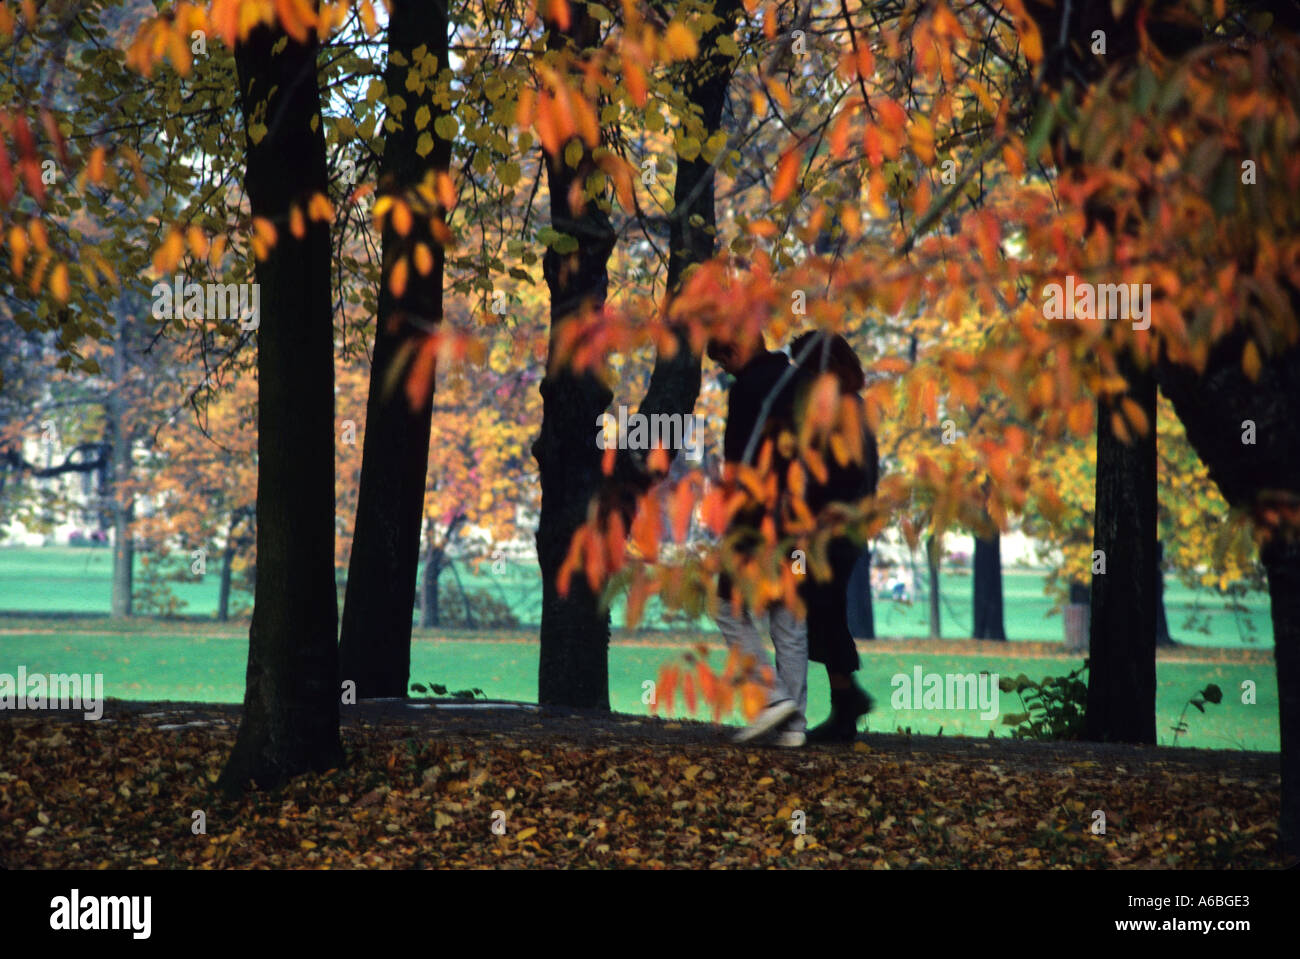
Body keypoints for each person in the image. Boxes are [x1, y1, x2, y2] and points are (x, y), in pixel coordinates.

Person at [706, 331, 808, 747]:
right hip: (801, 518)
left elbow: (741, 461)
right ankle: (794, 726)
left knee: (728, 608)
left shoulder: (746, 388)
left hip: (755, 518)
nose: (722, 370)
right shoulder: (797, 380)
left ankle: (771, 698)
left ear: (736, 348)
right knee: (790, 617)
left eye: (721, 361)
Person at [787, 331, 879, 743]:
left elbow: (843, 474)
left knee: (822, 607)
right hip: (840, 527)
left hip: (835, 529)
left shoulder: (840, 410)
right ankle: (845, 701)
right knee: (824, 608)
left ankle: (846, 700)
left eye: (802, 367)